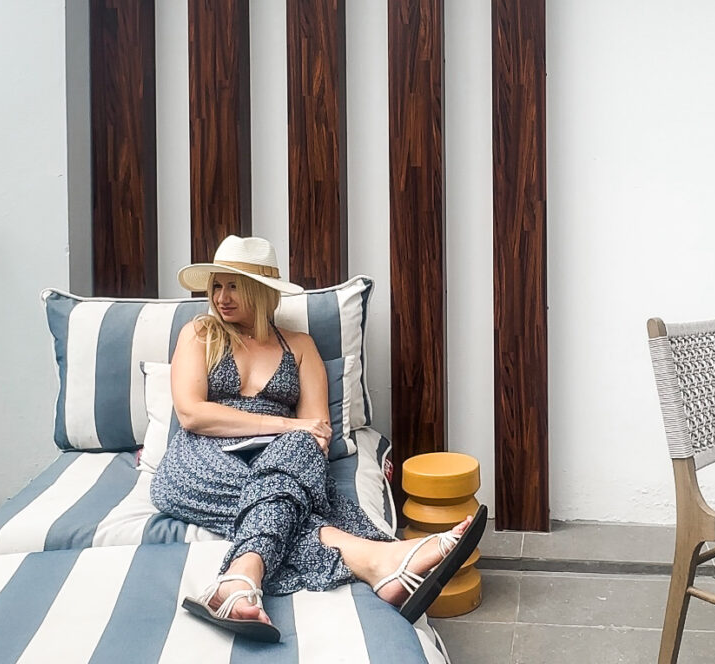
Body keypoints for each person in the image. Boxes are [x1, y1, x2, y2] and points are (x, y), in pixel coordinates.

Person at [150, 234, 486, 643]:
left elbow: (317, 435)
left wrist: (294, 434)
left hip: (279, 459)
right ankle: (378, 560)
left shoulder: (300, 346)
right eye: (216, 285)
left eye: (234, 285)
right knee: (295, 494)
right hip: (201, 457)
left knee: (298, 454)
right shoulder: (200, 333)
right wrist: (286, 425)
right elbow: (192, 413)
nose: (222, 296)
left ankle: (241, 578)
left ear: (262, 292)